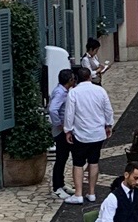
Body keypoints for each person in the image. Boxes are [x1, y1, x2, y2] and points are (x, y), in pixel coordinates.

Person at [64, 66, 115, 204]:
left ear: (76, 79)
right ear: (89, 77)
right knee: (94, 162)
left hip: (80, 133)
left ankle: (78, 194)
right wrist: (108, 124)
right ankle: (91, 192)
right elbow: (108, 110)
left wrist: (68, 130)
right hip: (97, 133)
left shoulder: (74, 93)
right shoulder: (100, 90)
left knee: (78, 163)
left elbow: (69, 113)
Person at [48, 66, 79, 199]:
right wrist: (59, 124)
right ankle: (57, 187)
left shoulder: (62, 91)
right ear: (69, 80)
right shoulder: (60, 93)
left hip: (63, 129)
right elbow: (53, 109)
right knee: (61, 158)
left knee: (64, 157)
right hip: (61, 131)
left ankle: (61, 183)